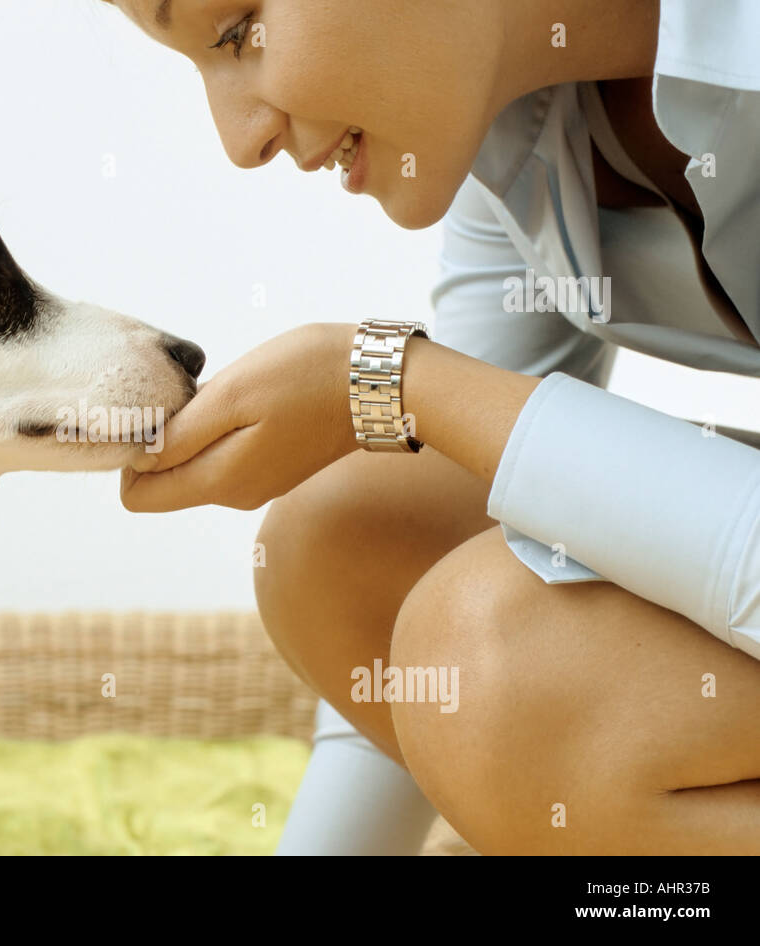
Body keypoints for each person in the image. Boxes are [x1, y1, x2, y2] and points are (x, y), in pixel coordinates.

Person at [106, 0, 760, 854]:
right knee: (345, 533)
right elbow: (470, 511)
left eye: (237, 29)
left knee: (501, 663)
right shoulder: (521, 123)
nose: (240, 140)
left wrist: (391, 377)